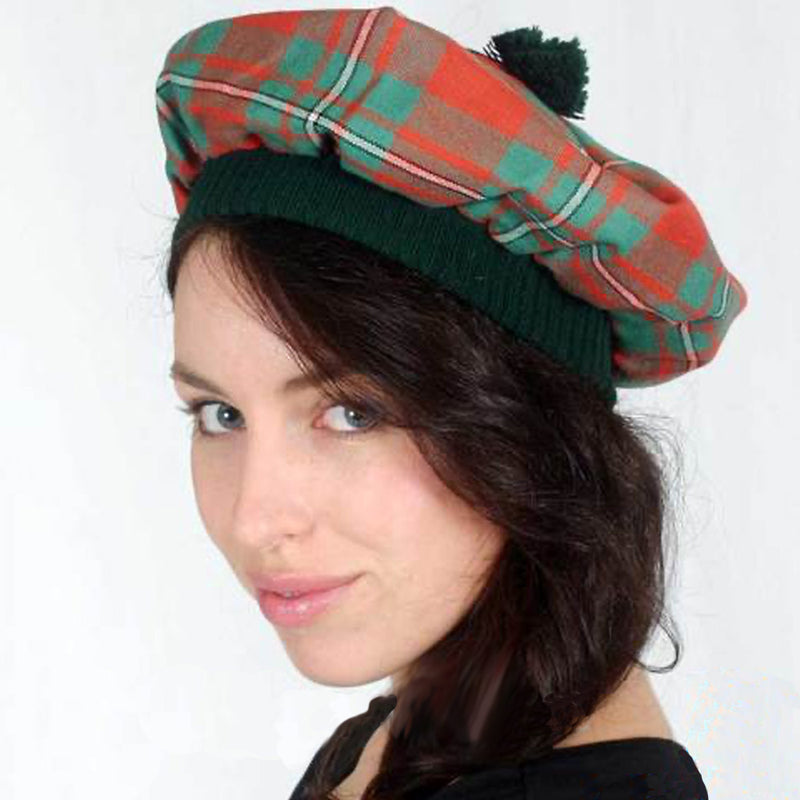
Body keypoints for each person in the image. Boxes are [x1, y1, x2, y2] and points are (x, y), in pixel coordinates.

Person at [155, 7, 747, 799]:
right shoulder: (381, 747)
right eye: (219, 414)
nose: (253, 518)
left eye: (352, 413)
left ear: (534, 433)